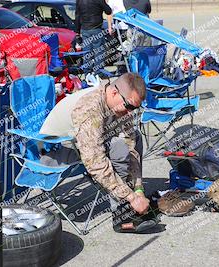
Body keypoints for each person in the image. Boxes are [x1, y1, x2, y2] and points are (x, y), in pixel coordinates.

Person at [39, 73, 159, 233]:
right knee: (118, 147)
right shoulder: (90, 109)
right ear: (114, 93)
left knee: (134, 137)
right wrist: (130, 197)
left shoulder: (120, 104)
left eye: (135, 108)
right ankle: (122, 214)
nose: (130, 112)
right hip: (55, 153)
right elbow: (95, 163)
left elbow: (132, 144)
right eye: (129, 106)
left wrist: (138, 190)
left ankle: (132, 203)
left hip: (84, 144)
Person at [75, 0, 112, 75]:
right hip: (96, 28)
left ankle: (87, 73)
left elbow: (77, 16)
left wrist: (77, 31)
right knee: (99, 51)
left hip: (84, 29)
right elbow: (108, 11)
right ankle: (99, 72)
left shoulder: (79, 1)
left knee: (87, 52)